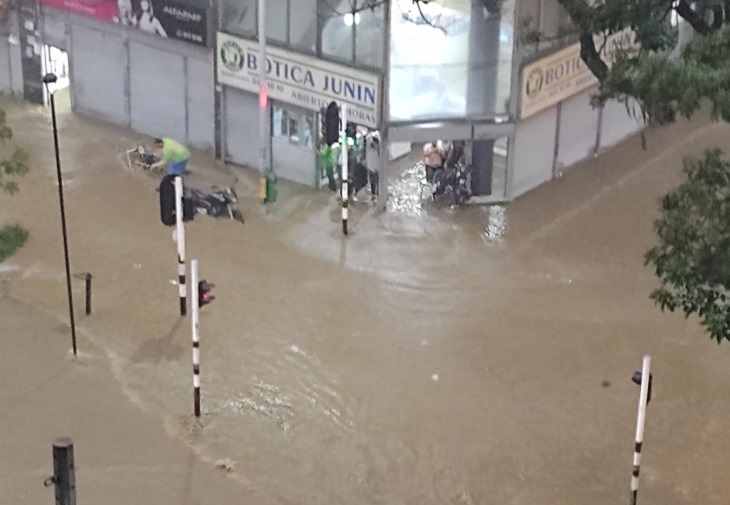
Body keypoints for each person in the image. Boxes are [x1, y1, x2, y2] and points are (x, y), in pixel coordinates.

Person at [365, 131, 381, 201]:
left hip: (376, 167)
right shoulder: (369, 148)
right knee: (373, 182)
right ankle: (374, 194)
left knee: (377, 181)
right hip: (372, 167)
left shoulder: (378, 149)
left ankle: (377, 194)